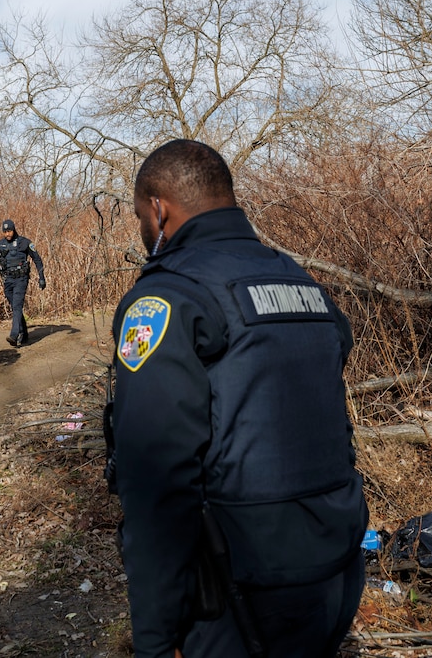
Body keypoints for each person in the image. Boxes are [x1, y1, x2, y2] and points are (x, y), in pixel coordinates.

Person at [107, 139, 369, 658]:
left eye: (141, 217)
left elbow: (157, 481)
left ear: (158, 209)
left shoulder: (168, 297)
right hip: (336, 569)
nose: (143, 231)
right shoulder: (301, 281)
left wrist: (155, 642)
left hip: (241, 591)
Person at [0, 219, 46, 347]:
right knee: (14, 306)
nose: (7, 234)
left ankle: (14, 334)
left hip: (21, 279)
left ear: (14, 229)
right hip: (8, 280)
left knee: (17, 305)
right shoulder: (1, 244)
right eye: (5, 232)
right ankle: (24, 332)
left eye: (9, 231)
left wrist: (41, 277)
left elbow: (37, 259)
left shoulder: (25, 243)